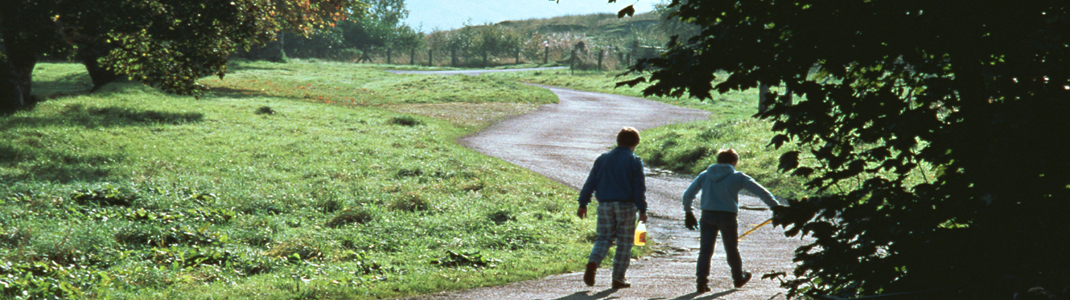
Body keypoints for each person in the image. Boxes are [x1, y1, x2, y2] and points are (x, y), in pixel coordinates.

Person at [682, 148, 781, 292]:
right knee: (731, 249)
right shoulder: (738, 177)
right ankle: (738, 278)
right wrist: (775, 207)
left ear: (718, 161)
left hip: (707, 215)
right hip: (727, 216)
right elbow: (761, 191)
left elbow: (687, 195)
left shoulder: (705, 175)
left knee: (705, 250)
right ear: (734, 162)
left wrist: (688, 212)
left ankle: (701, 282)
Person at [577, 127, 649, 289]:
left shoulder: (602, 159)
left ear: (618, 140)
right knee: (624, 242)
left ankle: (593, 262)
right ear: (636, 143)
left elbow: (590, 182)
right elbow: (639, 188)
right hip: (626, 206)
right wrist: (642, 210)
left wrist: (583, 203)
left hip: (604, 205)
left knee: (604, 238)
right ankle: (618, 278)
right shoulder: (634, 161)